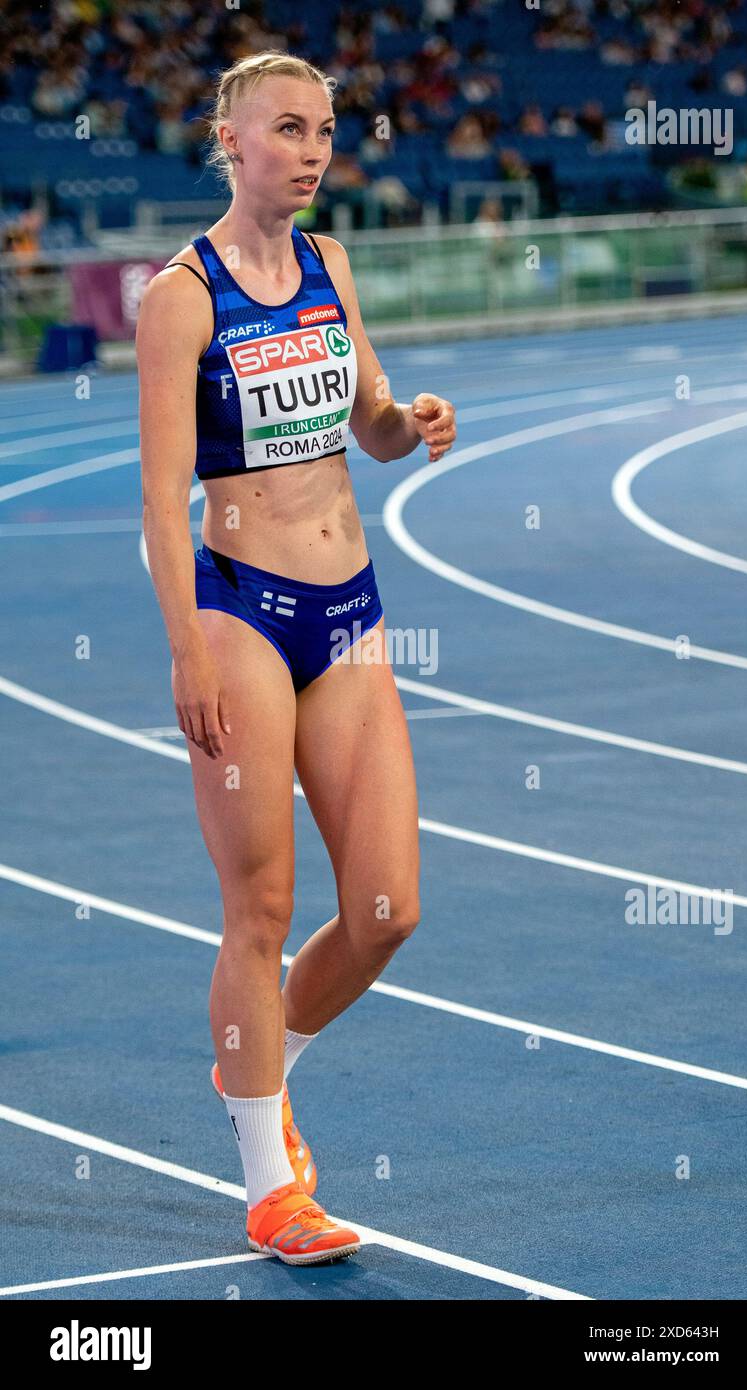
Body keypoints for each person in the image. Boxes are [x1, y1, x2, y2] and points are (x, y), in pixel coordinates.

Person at [136, 50, 456, 1267]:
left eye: (324, 130)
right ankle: (272, 1181)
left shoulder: (328, 265)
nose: (314, 151)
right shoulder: (184, 294)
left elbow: (365, 425)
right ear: (230, 140)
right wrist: (186, 650)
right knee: (260, 906)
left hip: (352, 608)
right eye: (287, 128)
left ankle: (259, 1064)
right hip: (238, 613)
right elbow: (163, 497)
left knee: (386, 911)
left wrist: (405, 420)